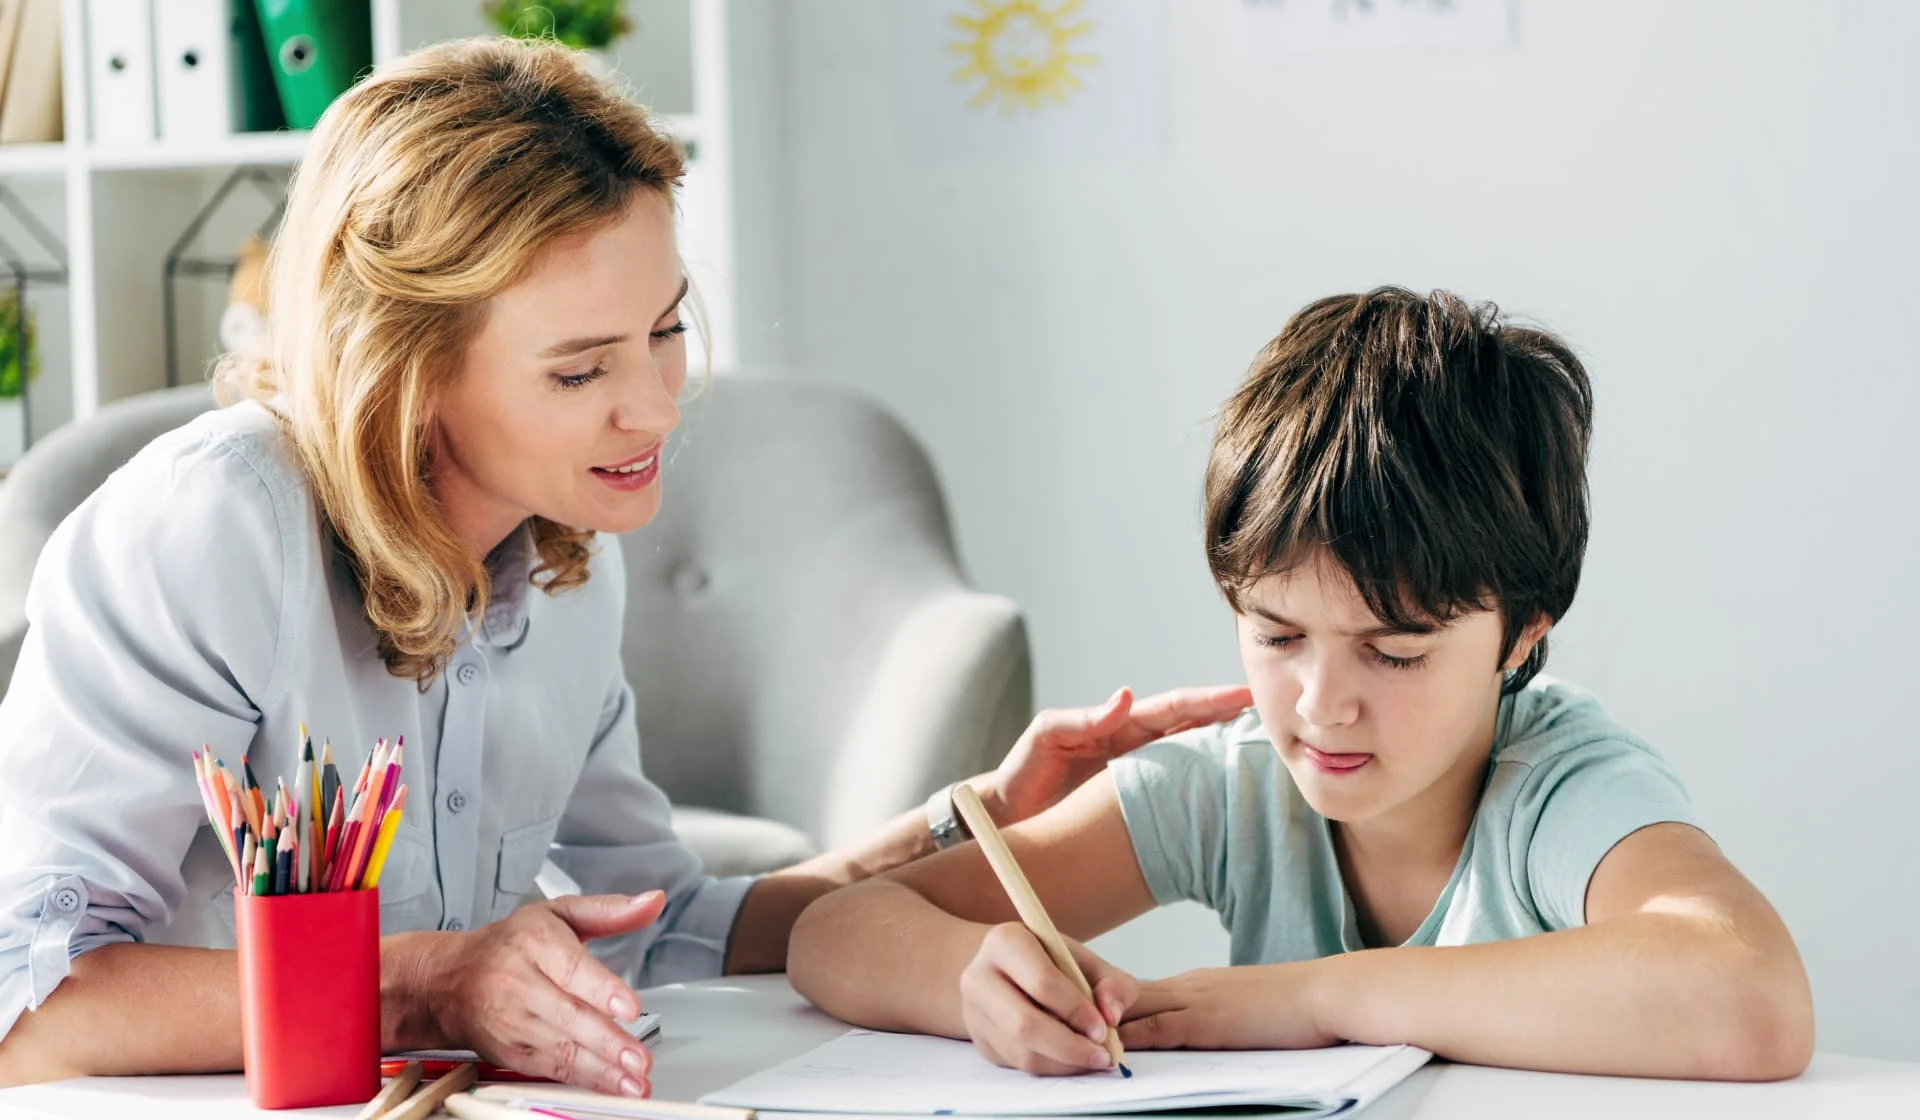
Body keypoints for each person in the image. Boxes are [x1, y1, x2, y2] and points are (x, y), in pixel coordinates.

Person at [0, 38, 1249, 1095]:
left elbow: (663, 927)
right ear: (408, 366)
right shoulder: (208, 530)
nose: (655, 411)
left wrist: (966, 825)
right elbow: (30, 1007)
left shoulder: (567, 562)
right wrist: (437, 980)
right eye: (581, 368)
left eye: (664, 333)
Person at [789, 287, 1815, 1081]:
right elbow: (835, 931)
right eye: (1277, 634)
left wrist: (1319, 997)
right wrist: (971, 982)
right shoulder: (1231, 783)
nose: (1323, 704)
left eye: (1395, 651)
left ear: (1520, 637)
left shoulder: (1561, 787)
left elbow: (1751, 993)